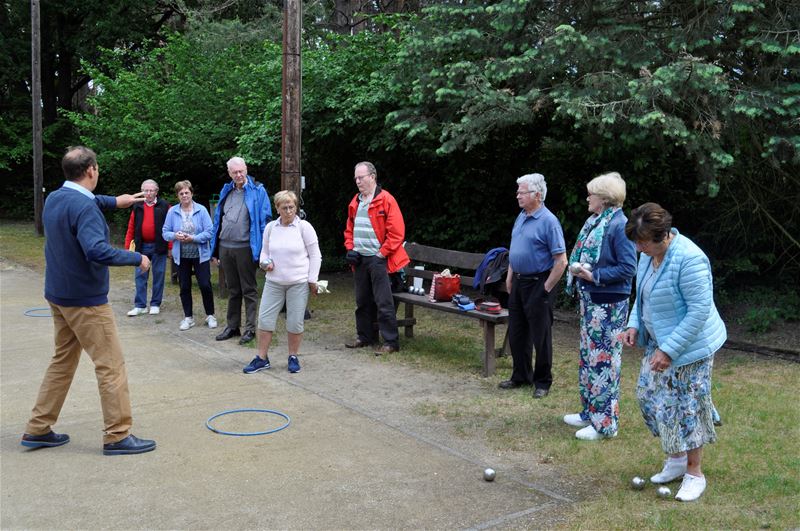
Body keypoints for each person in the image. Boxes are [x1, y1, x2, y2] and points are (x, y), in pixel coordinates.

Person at [20, 146, 156, 456]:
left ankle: (38, 427)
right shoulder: (85, 209)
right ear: (92, 170)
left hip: (59, 295)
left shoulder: (56, 198)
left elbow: (86, 201)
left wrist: (116, 201)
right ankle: (118, 435)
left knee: (62, 362)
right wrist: (136, 258)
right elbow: (95, 249)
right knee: (111, 365)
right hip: (86, 301)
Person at [623, 202, 727, 502]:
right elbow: (642, 295)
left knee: (686, 407)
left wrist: (669, 350)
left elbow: (698, 312)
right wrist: (634, 324)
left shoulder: (690, 258)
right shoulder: (648, 255)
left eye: (643, 242)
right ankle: (677, 459)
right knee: (649, 398)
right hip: (659, 341)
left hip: (691, 347)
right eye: (637, 243)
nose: (639, 248)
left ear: (663, 235)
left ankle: (695, 474)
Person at [562, 172, 637, 440]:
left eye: (591, 194)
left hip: (609, 305)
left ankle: (605, 425)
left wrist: (594, 275)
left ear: (604, 199)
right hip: (592, 302)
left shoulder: (619, 225)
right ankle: (589, 413)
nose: (587, 198)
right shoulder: (596, 222)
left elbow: (628, 268)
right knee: (588, 360)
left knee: (604, 364)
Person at [500, 173, 567, 398]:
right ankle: (520, 375)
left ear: (537, 195)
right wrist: (510, 276)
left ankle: (543, 382)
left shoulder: (549, 221)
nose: (517, 195)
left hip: (539, 282)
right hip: (519, 280)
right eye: (518, 191)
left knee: (541, 335)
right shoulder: (521, 216)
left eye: (522, 192)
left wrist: (546, 287)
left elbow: (561, 261)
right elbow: (515, 249)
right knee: (517, 332)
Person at [243, 191, 322, 374]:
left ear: (296, 207)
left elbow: (315, 255)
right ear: (277, 208)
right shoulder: (271, 228)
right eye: (284, 207)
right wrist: (265, 263)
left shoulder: (304, 227)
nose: (288, 211)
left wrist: (312, 279)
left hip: (298, 282)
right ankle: (261, 358)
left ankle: (293, 356)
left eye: (291, 207)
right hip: (274, 282)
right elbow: (264, 252)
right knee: (265, 319)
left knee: (295, 321)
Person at [343, 161, 409, 355]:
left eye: (361, 177)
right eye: (355, 178)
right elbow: (349, 229)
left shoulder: (386, 200)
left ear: (372, 177)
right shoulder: (355, 201)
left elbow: (397, 233)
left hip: (379, 259)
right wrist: (350, 249)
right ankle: (364, 337)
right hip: (360, 259)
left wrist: (381, 254)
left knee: (383, 302)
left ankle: (391, 342)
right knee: (362, 301)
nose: (357, 181)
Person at [211, 157, 271, 345]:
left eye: (241, 171)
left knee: (249, 289)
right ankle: (232, 326)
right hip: (225, 246)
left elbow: (265, 221)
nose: (238, 175)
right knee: (233, 289)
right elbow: (218, 220)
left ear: (246, 169)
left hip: (246, 247)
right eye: (234, 172)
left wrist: (264, 250)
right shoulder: (226, 190)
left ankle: (250, 328)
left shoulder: (258, 190)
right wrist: (215, 249)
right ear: (229, 173)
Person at [163, 181, 217, 331]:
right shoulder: (172, 211)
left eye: (187, 192)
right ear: (177, 196)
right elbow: (165, 232)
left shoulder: (202, 210)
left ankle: (210, 315)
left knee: (205, 285)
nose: (184, 195)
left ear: (192, 193)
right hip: (181, 256)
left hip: (201, 255)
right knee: (184, 286)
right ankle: (188, 317)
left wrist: (194, 238)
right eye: (181, 193)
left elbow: (209, 232)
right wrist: (175, 235)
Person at [124, 179, 170, 316]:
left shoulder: (165, 206)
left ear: (156, 191)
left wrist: (170, 246)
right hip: (141, 246)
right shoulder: (137, 206)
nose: (148, 193)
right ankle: (140, 305)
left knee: (159, 275)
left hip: (159, 245)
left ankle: (155, 304)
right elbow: (131, 227)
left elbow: (171, 227)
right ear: (142, 191)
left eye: (151, 190)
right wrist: (127, 246)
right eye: (146, 190)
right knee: (140, 275)